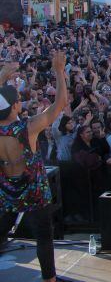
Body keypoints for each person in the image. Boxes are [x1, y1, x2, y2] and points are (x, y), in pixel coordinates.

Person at [0, 54, 69, 282]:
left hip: (6, 191)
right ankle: (49, 278)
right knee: (43, 238)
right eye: (19, 99)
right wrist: (59, 71)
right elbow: (59, 106)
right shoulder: (26, 128)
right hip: (33, 191)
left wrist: (1, 77)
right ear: (14, 106)